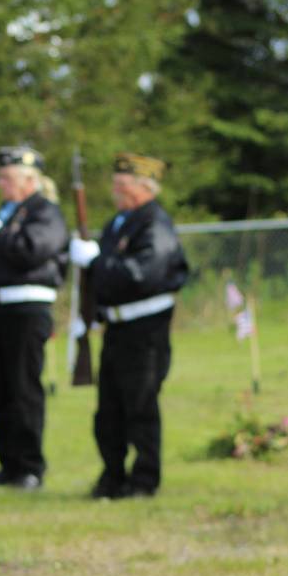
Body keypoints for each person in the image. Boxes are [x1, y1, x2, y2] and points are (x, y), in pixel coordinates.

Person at [69, 153, 189, 500]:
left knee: (141, 405)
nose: (115, 191)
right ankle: (113, 475)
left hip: (145, 330)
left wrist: (97, 261)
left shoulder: (155, 223)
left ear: (144, 187)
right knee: (110, 409)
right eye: (115, 184)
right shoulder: (120, 222)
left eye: (123, 185)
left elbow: (142, 273)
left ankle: (144, 479)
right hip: (117, 327)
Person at [0, 146, 68, 491]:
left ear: (29, 180)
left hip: (29, 307)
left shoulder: (44, 211)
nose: (1, 183)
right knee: (1, 388)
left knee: (24, 389)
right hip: (1, 308)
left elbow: (31, 251)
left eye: (7, 177)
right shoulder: (6, 212)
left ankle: (29, 466)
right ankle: (8, 462)